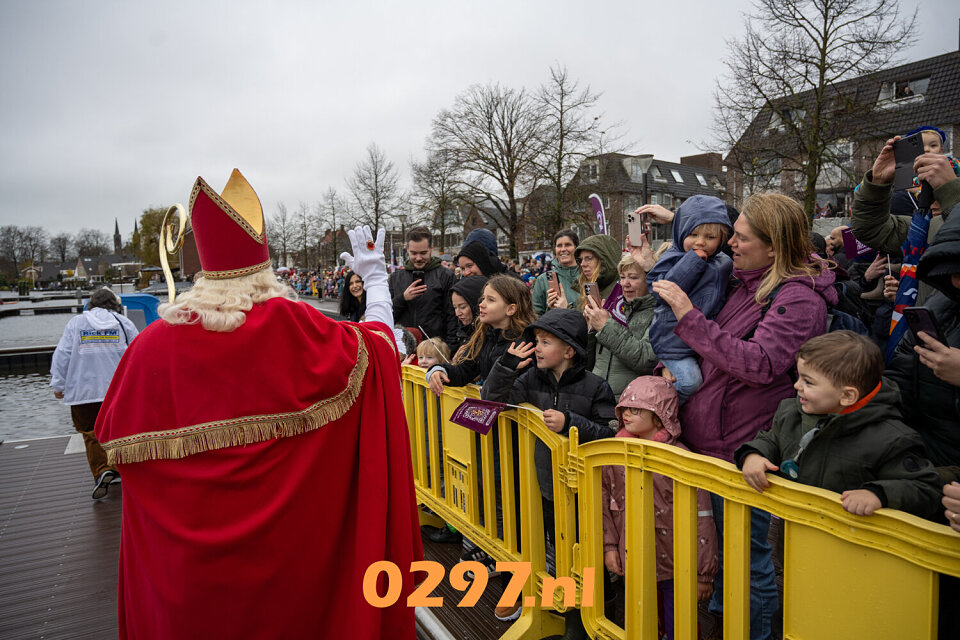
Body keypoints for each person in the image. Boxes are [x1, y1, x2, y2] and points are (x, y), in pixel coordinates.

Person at [94, 170, 421, 639]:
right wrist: (375, 281)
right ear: (264, 263)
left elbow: (120, 454)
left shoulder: (148, 349)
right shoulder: (300, 330)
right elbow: (380, 348)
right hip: (295, 575)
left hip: (187, 586)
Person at [652, 192, 837, 640]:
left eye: (742, 237)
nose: (730, 243)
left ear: (774, 248)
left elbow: (760, 364)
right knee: (721, 558)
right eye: (731, 234)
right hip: (711, 446)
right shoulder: (747, 281)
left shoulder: (798, 298)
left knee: (747, 563)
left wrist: (688, 317)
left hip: (742, 449)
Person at [482, 307, 617, 629]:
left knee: (584, 554)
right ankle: (538, 604)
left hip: (579, 489)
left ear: (569, 351)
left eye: (545, 342)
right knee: (535, 543)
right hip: (539, 483)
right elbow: (491, 400)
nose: (537, 348)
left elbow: (609, 434)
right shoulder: (529, 379)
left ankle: (592, 618)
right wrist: (506, 366)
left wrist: (571, 422)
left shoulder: (595, 386)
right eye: (537, 341)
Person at [737, 331, 941, 519]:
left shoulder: (891, 438)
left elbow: (925, 488)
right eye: (799, 377)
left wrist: (878, 494)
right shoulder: (791, 412)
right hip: (791, 532)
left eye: (808, 382)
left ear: (847, 396)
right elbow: (771, 439)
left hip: (850, 542)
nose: (797, 386)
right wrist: (753, 455)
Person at [602, 376, 718, 637]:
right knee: (644, 620)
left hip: (678, 562)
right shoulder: (615, 454)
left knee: (681, 623)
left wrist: (703, 574)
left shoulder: (680, 459)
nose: (627, 414)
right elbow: (605, 503)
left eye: (636, 409)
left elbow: (702, 517)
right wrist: (609, 547)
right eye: (624, 408)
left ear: (659, 416)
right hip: (635, 557)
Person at [50, 287, 139, 500]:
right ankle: (119, 468)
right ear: (115, 304)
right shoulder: (123, 323)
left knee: (90, 432)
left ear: (91, 303)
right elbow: (137, 351)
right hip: (117, 390)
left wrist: (58, 384)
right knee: (118, 429)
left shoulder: (76, 323)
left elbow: (63, 354)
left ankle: (102, 470)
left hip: (83, 391)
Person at [646, 195, 733, 403]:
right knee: (689, 382)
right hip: (673, 340)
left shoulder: (724, 262)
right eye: (693, 234)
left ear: (721, 240)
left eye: (710, 237)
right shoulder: (674, 256)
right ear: (681, 233)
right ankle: (658, 408)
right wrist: (692, 262)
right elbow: (660, 290)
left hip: (703, 339)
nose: (700, 242)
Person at [584, 252, 658, 400]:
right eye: (623, 277)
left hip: (630, 402)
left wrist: (605, 327)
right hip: (596, 397)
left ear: (649, 280)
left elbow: (646, 360)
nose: (625, 284)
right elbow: (587, 362)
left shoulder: (658, 312)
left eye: (633, 277)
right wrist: (590, 330)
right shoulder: (612, 308)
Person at [389, 226, 459, 346]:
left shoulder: (446, 276)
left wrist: (450, 348)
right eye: (414, 253)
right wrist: (403, 298)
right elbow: (387, 314)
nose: (418, 258)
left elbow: (452, 315)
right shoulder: (396, 278)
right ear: (407, 250)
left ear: (431, 248)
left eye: (423, 253)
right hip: (404, 347)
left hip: (434, 347)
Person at [531, 229, 581, 315]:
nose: (563, 249)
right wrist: (550, 310)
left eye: (568, 245)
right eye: (559, 246)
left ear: (576, 248)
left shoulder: (588, 275)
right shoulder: (543, 280)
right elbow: (535, 316)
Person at [449, 275, 488, 357]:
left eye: (462, 307)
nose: (457, 313)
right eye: (455, 307)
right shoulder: (463, 331)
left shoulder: (489, 336)